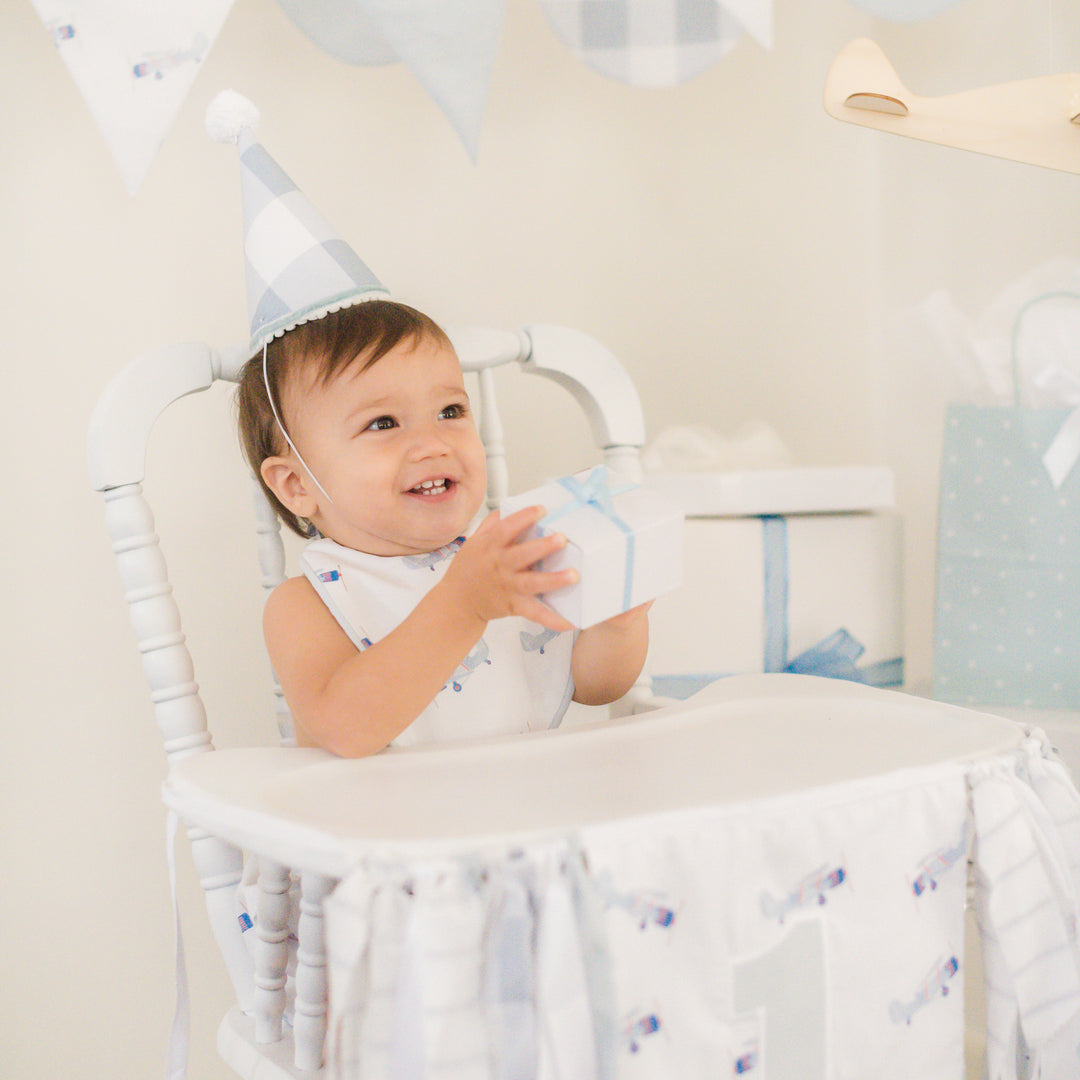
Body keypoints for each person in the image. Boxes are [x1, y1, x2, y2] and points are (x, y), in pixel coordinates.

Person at [237, 298, 651, 757]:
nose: (432, 444)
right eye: (383, 423)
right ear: (297, 485)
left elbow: (596, 687)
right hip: (387, 821)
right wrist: (462, 604)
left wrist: (616, 621)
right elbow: (345, 731)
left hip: (522, 802)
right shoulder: (307, 603)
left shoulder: (502, 559)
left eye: (450, 411)